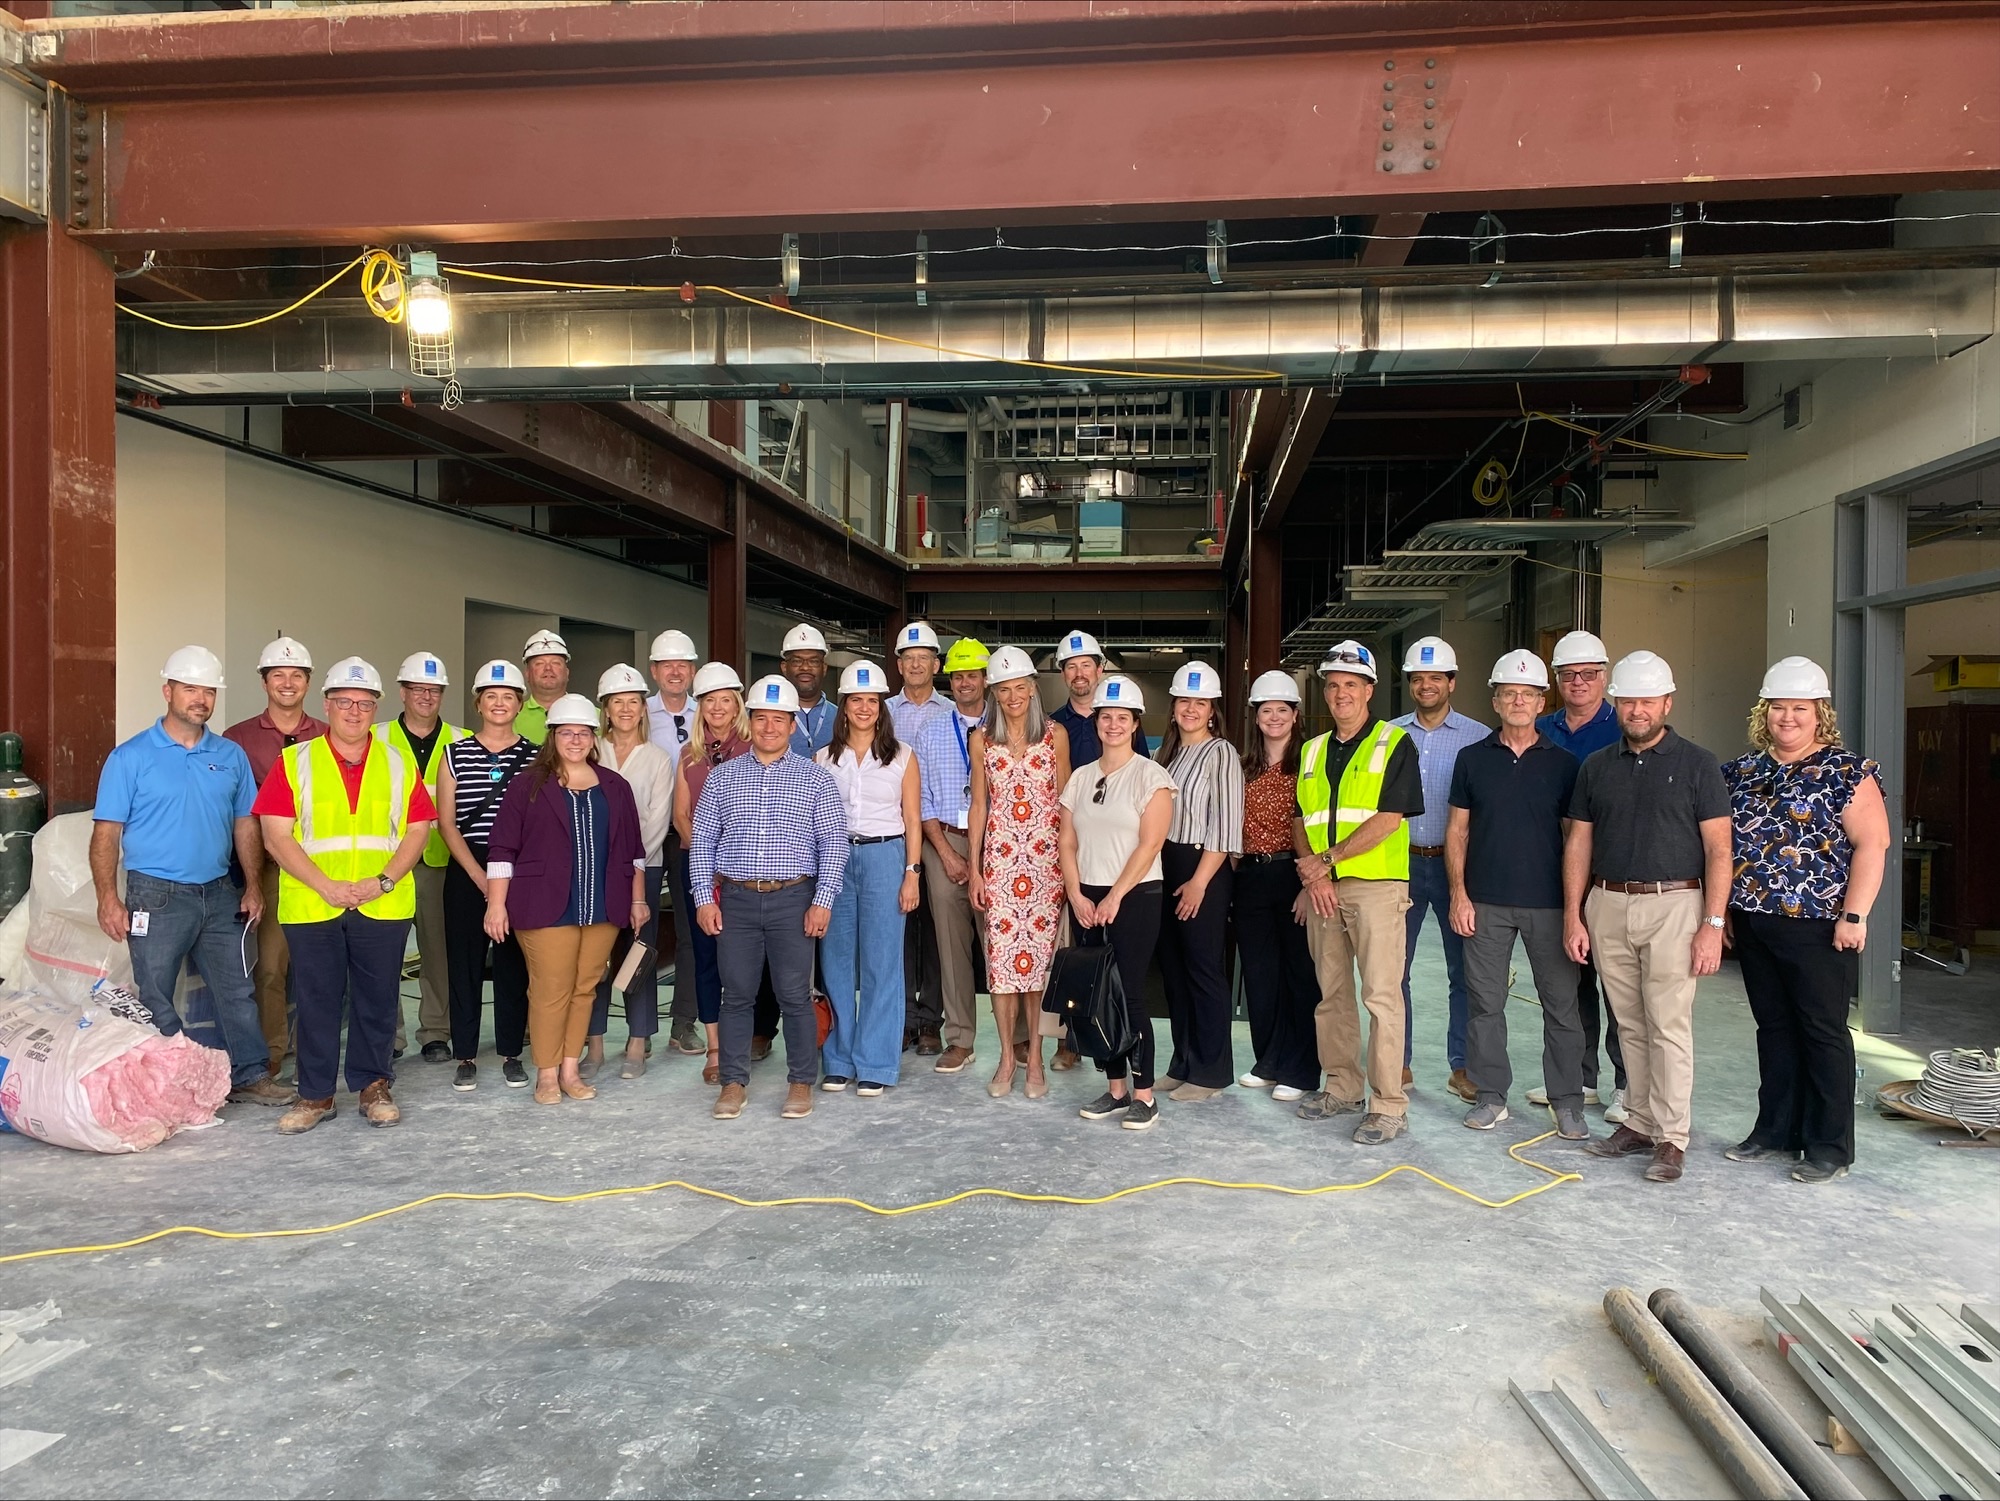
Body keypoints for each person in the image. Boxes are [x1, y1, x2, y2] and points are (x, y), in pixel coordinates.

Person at [90, 646, 294, 1107]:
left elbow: (246, 824)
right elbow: (107, 833)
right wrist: (108, 896)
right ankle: (174, 1082)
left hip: (220, 892)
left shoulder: (230, 755)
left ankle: (249, 1074)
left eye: (208, 690)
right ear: (168, 691)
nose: (200, 698)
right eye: (190, 688)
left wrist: (254, 885)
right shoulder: (131, 757)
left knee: (236, 991)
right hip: (155, 895)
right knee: (155, 991)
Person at [1564, 651, 1732, 1184]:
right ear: (1616, 704)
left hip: (1675, 905)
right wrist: (1575, 913)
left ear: (1667, 702)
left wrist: (1712, 925)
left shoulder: (1698, 765)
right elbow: (1579, 844)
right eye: (1628, 700)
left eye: (1647, 700)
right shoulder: (1596, 767)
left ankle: (1671, 1137)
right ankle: (1637, 1122)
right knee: (1630, 1023)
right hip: (1607, 903)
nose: (1637, 709)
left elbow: (1719, 852)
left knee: (1668, 1024)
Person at [1722, 657, 1889, 1185]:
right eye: (1778, 708)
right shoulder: (1740, 772)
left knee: (1821, 1031)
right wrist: (1722, 910)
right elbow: (1724, 848)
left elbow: (1873, 845)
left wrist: (1854, 915)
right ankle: (1774, 1130)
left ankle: (1829, 1145)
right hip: (1753, 921)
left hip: (1819, 927)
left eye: (1800, 708)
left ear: (1820, 714)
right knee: (1773, 1029)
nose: (1788, 718)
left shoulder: (1848, 774)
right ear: (1763, 713)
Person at [254, 657, 437, 1134]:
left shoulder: (397, 763)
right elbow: (275, 835)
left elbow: (419, 829)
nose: (355, 711)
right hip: (314, 903)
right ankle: (315, 1095)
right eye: (344, 702)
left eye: (364, 703)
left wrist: (383, 881)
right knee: (317, 1000)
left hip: (381, 901)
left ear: (375, 707)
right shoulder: (294, 762)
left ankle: (374, 1085)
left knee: (377, 998)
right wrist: (326, 885)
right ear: (327, 705)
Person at [689, 674, 849, 1121]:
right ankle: (733, 1083)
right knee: (737, 994)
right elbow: (702, 840)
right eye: (761, 719)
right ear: (750, 722)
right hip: (737, 900)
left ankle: (800, 1082)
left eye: (779, 720)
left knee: (794, 994)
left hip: (793, 900)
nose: (770, 728)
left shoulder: (816, 780)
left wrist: (823, 900)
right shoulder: (723, 778)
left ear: (792, 726)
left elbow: (833, 844)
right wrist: (705, 897)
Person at [1446, 650, 1589, 1140]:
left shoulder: (1566, 765)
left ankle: (1568, 1101)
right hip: (1485, 902)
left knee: (1561, 1006)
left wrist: (1574, 911)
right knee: (1485, 1005)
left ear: (1540, 701)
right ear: (1496, 700)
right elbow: (1458, 832)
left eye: (1528, 695)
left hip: (1548, 905)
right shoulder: (1471, 760)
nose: (1518, 701)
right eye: (1510, 693)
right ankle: (1490, 1096)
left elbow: (1576, 841)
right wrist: (1459, 895)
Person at [1291, 639, 1426, 1145]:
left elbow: (1390, 819)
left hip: (1376, 887)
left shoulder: (1394, 744)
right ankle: (1342, 1088)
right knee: (1332, 995)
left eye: (1351, 684)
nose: (1341, 693)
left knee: (1381, 997)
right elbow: (1301, 818)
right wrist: (1317, 877)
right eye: (1333, 684)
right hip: (1326, 888)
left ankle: (1388, 1104)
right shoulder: (1312, 750)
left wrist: (1325, 863)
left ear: (1369, 690)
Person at [484, 694, 648, 1106]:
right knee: (550, 989)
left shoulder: (615, 786)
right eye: (566, 732)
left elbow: (635, 851)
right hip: (543, 905)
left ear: (594, 737)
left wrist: (638, 900)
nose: (575, 740)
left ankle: (571, 1069)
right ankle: (546, 1074)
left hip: (602, 905)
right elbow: (502, 850)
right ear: (552, 736)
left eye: (582, 732)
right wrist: (496, 904)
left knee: (585, 988)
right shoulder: (526, 785)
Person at [1059, 675, 1176, 1131]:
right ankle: (1115, 1090)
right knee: (1095, 996)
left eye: (1121, 717)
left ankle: (1144, 1096)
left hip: (1135, 895)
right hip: (1087, 895)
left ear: (1134, 723)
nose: (1112, 724)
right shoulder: (1081, 778)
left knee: (1128, 995)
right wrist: (1075, 893)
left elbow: (1149, 846)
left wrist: (1114, 897)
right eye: (1105, 716)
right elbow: (1066, 842)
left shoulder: (1152, 778)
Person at [967, 644, 1070, 1101]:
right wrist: (974, 869)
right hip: (1002, 863)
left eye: (1020, 688)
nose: (1013, 697)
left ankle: (1036, 1059)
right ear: (993, 692)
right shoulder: (981, 739)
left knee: (1040, 966)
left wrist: (1070, 864)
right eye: (1004, 690)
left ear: (1033, 688)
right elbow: (978, 804)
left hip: (1046, 864)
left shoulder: (1055, 735)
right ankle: (1007, 1056)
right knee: (1002, 966)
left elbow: (1066, 801)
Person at [815, 660, 922, 1097]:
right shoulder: (823, 758)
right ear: (844, 706)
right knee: (836, 961)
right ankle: (839, 1058)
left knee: (882, 962)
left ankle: (877, 1061)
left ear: (882, 707)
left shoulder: (902, 755)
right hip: (837, 858)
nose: (864, 708)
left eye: (872, 701)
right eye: (856, 700)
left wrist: (912, 872)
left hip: (885, 856)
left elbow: (912, 818)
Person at [1536, 627, 1629, 1122]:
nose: (1578, 682)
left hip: (1609, 875)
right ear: (1556, 680)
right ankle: (1580, 1076)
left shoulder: (1622, 730)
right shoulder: (1542, 727)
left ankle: (1626, 1084)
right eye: (1568, 675)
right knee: (1569, 983)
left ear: (1604, 677)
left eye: (1588, 674)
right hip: (1554, 876)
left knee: (1616, 985)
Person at [223, 634, 326, 1079]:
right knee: (270, 966)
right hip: (267, 868)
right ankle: (272, 1052)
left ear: (308, 682)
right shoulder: (238, 739)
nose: (288, 683)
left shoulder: (326, 734)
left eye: (297, 675)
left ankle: (315, 1051)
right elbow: (233, 809)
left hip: (323, 866)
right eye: (278, 675)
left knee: (319, 965)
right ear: (264, 681)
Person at [436, 660, 538, 1092]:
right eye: (491, 696)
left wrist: (504, 879)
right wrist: (479, 876)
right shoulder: (454, 753)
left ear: (519, 703)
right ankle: (466, 1054)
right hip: (466, 866)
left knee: (515, 963)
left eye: (509, 697)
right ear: (478, 702)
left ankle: (512, 1052)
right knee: (464, 963)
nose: (500, 704)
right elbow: (447, 823)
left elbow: (538, 822)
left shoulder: (536, 755)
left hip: (518, 867)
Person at [1391, 636, 1485, 1100]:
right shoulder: (1387, 734)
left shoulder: (1479, 737)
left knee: (1463, 970)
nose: (1426, 685)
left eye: (1435, 677)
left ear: (1452, 682)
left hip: (1454, 870)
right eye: (1417, 678)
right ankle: (1398, 1062)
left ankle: (1462, 1065)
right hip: (1398, 864)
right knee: (1393, 969)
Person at [1154, 660, 1242, 1103]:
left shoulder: (1220, 753)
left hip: (1201, 868)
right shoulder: (1164, 756)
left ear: (1213, 709)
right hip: (1165, 865)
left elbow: (1225, 830)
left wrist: (1199, 883)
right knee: (1174, 972)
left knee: (1204, 971)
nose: (1191, 708)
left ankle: (1210, 1073)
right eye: (1184, 701)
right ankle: (1183, 1061)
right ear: (1173, 707)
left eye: (1200, 702)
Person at [1233, 671, 1320, 1105]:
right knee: (1260, 974)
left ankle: (1301, 1068)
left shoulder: (1310, 760)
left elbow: (1315, 825)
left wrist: (1309, 883)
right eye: (1265, 710)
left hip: (1293, 875)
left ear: (1295, 715)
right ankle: (1267, 1060)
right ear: (1256, 716)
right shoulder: (1244, 765)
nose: (1273, 717)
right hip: (1250, 875)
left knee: (1299, 974)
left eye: (1281, 710)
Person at [585, 664, 676, 1081]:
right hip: (590, 869)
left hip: (644, 868)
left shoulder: (657, 760)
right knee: (595, 957)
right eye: (617, 702)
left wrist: (632, 864)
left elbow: (657, 821)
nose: (625, 709)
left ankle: (638, 1040)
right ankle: (596, 1042)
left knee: (639, 953)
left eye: (633, 702)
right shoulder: (590, 752)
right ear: (605, 709)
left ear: (643, 709)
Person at [376, 651, 466, 1065]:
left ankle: (435, 1031)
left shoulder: (462, 740)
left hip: (439, 861)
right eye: (418, 689)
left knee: (437, 951)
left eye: (434, 690)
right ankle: (387, 1034)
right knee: (384, 951)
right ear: (403, 692)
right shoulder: (377, 738)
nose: (426, 697)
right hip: (389, 860)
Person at [913, 637, 992, 1076]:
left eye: (972, 675)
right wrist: (945, 853)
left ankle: (1018, 1038)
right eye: (958, 675)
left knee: (999, 942)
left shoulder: (1004, 726)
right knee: (951, 947)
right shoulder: (931, 730)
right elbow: (920, 800)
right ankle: (960, 1038)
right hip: (946, 843)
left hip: (997, 845)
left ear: (985, 680)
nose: (964, 682)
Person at [673, 662, 752, 1085]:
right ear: (699, 706)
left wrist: (732, 862)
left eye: (725, 700)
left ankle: (745, 1039)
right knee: (706, 959)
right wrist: (709, 861)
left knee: (744, 960)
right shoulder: (690, 754)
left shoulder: (755, 745)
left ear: (737, 703)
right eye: (709, 701)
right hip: (702, 872)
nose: (718, 707)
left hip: (744, 873)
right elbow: (681, 816)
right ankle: (717, 1049)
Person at [887, 619, 950, 1057]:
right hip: (893, 832)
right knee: (900, 929)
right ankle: (904, 1018)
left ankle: (932, 1021)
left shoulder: (953, 713)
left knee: (937, 931)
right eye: (908, 659)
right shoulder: (882, 712)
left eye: (923, 658)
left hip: (939, 832)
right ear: (898, 664)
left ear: (936, 664)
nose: (915, 665)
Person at [646, 628, 707, 1059]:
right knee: (640, 932)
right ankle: (640, 1026)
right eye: (667, 665)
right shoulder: (636, 710)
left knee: (691, 933)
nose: (675, 672)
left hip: (690, 836)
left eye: (682, 665)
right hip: (647, 835)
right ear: (653, 670)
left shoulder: (708, 711)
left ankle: (683, 1023)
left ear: (692, 670)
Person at [1049, 629, 1150, 767]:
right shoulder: (1052, 725)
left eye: (1086, 665)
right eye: (1071, 667)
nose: (1079, 674)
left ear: (1099, 670)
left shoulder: (1120, 723)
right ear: (1063, 674)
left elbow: (1142, 767)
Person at [780, 623, 837, 756]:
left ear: (824, 668)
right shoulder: (766, 718)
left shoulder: (842, 717)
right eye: (797, 661)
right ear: (784, 667)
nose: (805, 668)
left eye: (814, 661)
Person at [514, 628, 571, 744]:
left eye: (555, 663)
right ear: (527, 674)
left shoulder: (596, 716)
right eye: (539, 664)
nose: (548, 669)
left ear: (567, 672)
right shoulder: (511, 716)